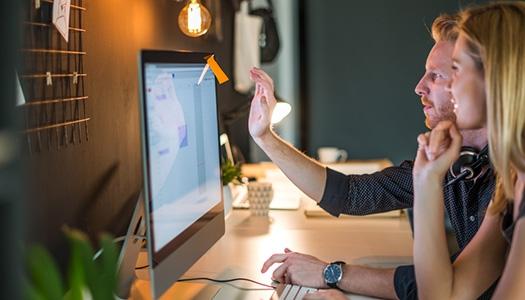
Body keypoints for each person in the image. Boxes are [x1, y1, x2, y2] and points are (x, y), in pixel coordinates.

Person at [249, 14, 495, 300]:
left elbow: (446, 290)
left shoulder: (508, 182)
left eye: (438, 75)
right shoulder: (459, 161)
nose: (419, 87)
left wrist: (332, 274)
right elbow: (350, 194)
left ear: (492, 83)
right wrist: (265, 137)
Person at [413, 2, 525, 299]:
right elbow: (446, 295)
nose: (449, 87)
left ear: (495, 75)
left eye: (457, 69)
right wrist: (426, 181)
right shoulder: (514, 177)